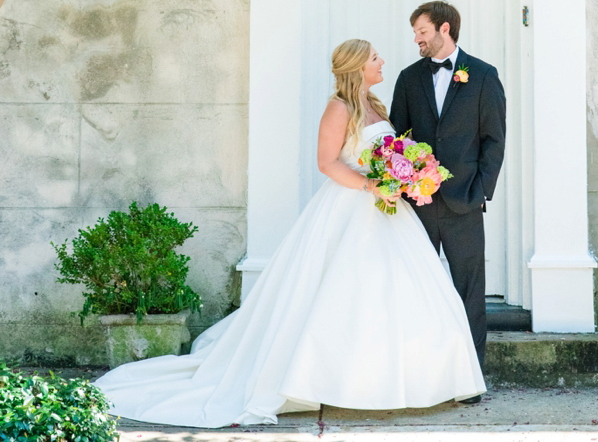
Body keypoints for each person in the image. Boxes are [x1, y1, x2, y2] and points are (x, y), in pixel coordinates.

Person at [95, 39, 484, 427]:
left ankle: (416, 380)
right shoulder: (339, 107)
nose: (382, 62)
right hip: (352, 206)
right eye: (374, 58)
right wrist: (372, 186)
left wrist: (405, 175)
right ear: (356, 67)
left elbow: (388, 152)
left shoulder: (375, 105)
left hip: (388, 212)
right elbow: (327, 162)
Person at [390, 0, 507, 371]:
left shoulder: (484, 76)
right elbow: (398, 139)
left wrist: (481, 190)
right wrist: (407, 184)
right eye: (415, 34)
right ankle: (421, 371)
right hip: (418, 205)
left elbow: (494, 140)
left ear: (445, 29)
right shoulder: (408, 79)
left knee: (469, 291)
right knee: (416, 287)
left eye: (422, 32)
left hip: (464, 203)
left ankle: (470, 373)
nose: (417, 40)